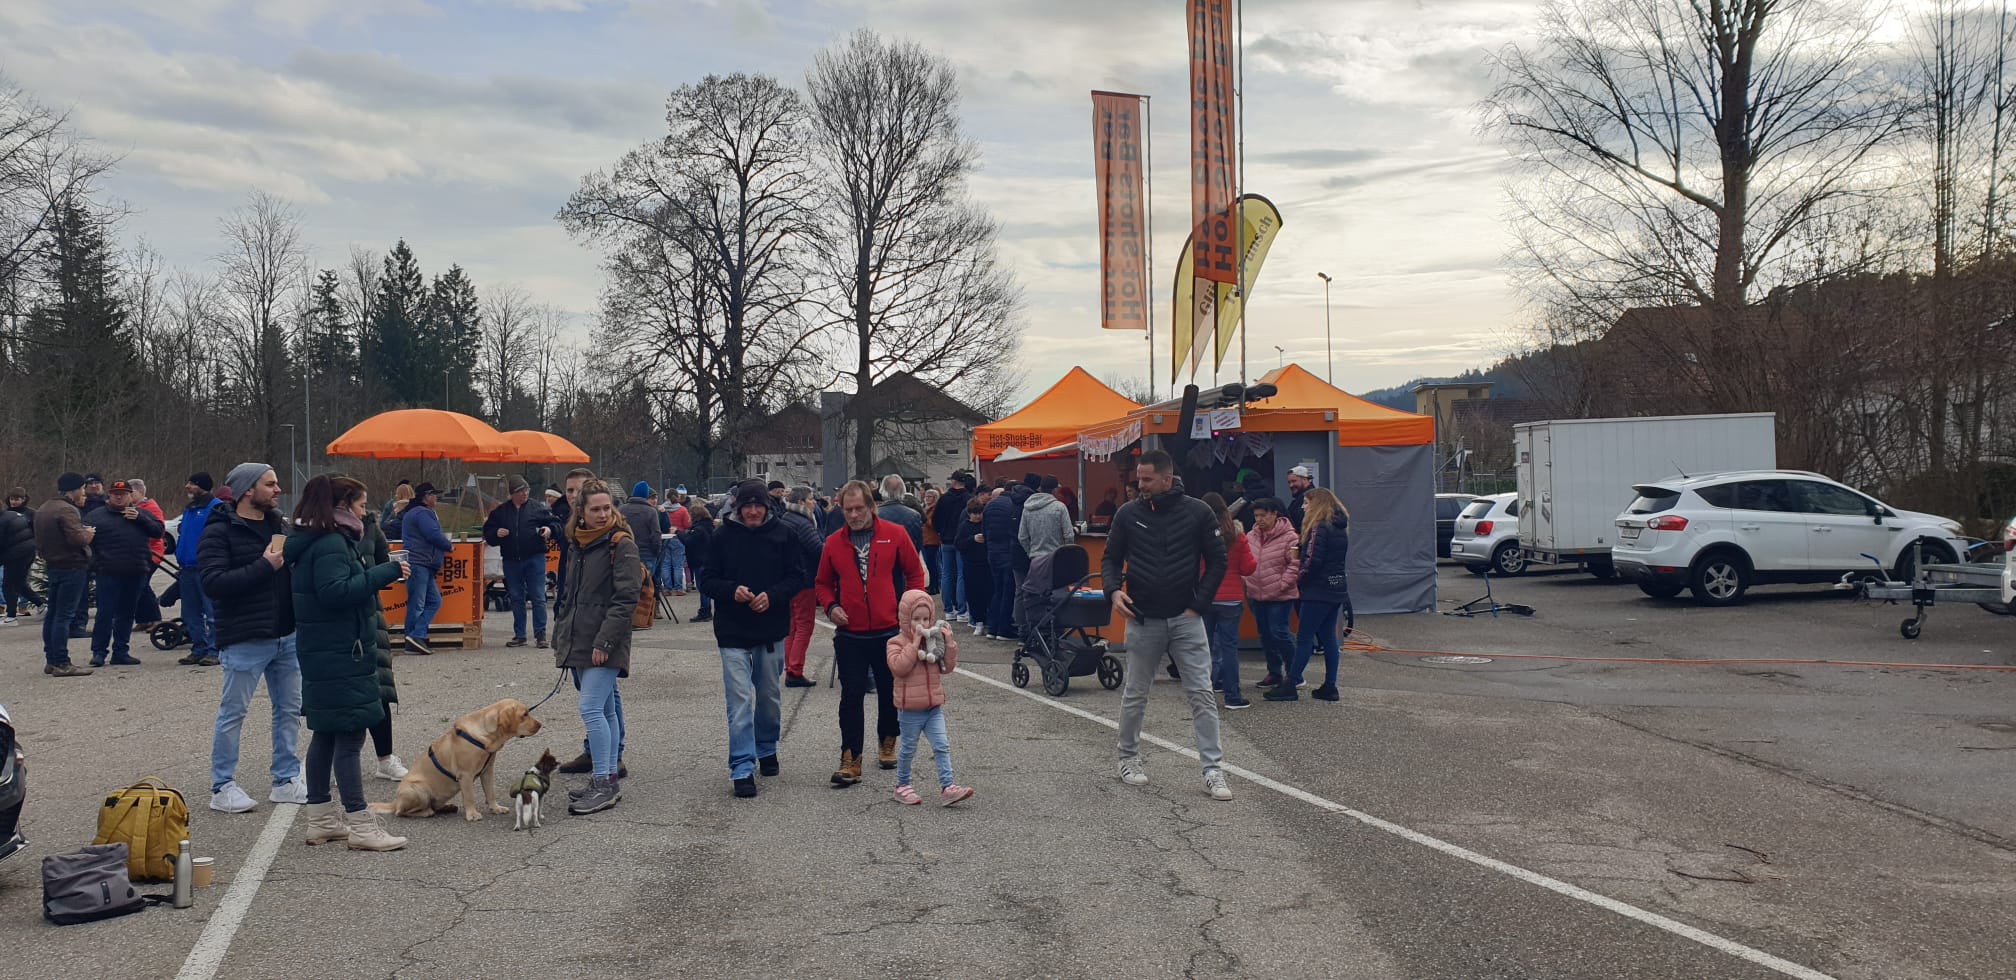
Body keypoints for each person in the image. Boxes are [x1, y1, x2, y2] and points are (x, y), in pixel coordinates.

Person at [286, 475, 410, 851]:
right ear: (341, 506)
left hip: (326, 648)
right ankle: (360, 823)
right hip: (340, 650)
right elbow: (335, 592)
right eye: (360, 504)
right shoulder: (331, 543)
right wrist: (385, 572)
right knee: (351, 733)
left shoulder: (315, 538)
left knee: (326, 732)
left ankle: (321, 819)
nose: (365, 512)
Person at [1101, 449, 1233, 801]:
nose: (1140, 485)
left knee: (1201, 693)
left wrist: (1197, 605)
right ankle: (1128, 758)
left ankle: (1213, 769)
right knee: (1135, 692)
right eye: (1139, 479)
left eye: (1147, 479)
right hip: (1143, 617)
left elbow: (1218, 560)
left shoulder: (1198, 512)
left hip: (1185, 618)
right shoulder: (1127, 514)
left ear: (1166, 478)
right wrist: (1113, 591)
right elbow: (1111, 558)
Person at [201, 463, 304, 813]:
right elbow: (213, 583)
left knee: (289, 710)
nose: (278, 490)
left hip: (286, 635)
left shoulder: (279, 525)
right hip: (245, 637)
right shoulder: (219, 531)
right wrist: (264, 567)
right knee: (233, 713)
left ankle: (285, 780)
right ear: (247, 490)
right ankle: (222, 786)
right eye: (270, 484)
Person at [816, 480, 927, 787]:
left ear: (871, 506)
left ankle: (888, 741)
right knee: (851, 696)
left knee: (890, 691)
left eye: (859, 508)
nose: (854, 515)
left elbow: (914, 573)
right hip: (850, 634)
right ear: (841, 510)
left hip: (889, 632)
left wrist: (912, 607)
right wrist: (831, 606)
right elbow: (822, 583)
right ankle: (850, 759)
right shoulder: (833, 543)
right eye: (848, 509)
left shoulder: (895, 534)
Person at [701, 480, 808, 798]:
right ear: (738, 508)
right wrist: (731, 591)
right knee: (739, 701)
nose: (752, 511)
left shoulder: (784, 534)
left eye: (757, 505)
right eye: (747, 506)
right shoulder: (722, 536)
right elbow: (707, 579)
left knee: (769, 698)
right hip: (732, 630)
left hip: (770, 629)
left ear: (766, 506)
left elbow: (797, 576)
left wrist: (772, 596)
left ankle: (766, 747)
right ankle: (742, 766)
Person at [552, 479, 642, 815]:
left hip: (606, 640)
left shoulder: (621, 544)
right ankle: (607, 779)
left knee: (591, 708)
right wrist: (562, 634)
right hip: (580, 637)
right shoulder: (579, 543)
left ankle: (604, 781)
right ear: (581, 512)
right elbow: (570, 596)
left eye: (607, 508)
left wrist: (605, 641)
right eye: (596, 509)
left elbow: (626, 598)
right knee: (604, 711)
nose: (603, 514)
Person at [885, 589, 973, 806]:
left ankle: (948, 786)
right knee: (908, 749)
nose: (922, 624)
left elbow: (947, 668)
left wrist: (949, 644)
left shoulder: (933, 643)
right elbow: (899, 667)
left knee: (941, 745)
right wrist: (914, 644)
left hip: (933, 707)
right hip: (910, 710)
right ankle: (902, 785)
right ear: (906, 619)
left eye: (926, 619)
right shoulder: (895, 643)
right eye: (916, 619)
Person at [1270, 488, 1351, 703]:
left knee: (1305, 638)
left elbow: (1313, 560)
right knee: (1328, 638)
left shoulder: (1318, 527)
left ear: (1316, 505)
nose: (1303, 507)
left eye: (1306, 503)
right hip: (1336, 588)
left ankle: (1291, 683)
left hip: (1317, 590)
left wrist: (1299, 577)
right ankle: (1330, 685)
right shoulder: (1339, 527)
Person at [83, 480, 164, 666]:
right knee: (105, 614)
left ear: (130, 496)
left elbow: (158, 532)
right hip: (108, 572)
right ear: (109, 496)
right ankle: (99, 652)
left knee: (127, 614)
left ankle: (121, 651)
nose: (119, 497)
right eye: (115, 494)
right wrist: (93, 562)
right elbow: (83, 540)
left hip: (136, 571)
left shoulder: (141, 514)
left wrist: (140, 518)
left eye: (124, 494)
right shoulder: (96, 516)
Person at [356, 499, 408, 781]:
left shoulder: (370, 527)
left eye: (365, 504)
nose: (364, 510)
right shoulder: (324, 531)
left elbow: (382, 562)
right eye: (359, 504)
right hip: (340, 619)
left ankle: (385, 758)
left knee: (381, 688)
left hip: (371, 614)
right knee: (345, 694)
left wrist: (392, 570)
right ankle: (337, 761)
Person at [484, 478, 559, 649]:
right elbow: (488, 532)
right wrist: (496, 533)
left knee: (538, 596)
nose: (525, 493)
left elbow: (555, 523)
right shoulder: (501, 512)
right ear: (512, 494)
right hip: (511, 560)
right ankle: (520, 635)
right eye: (521, 491)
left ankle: (540, 635)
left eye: (527, 490)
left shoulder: (537, 508)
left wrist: (549, 530)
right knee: (516, 597)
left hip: (535, 557)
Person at [33, 473, 96, 676]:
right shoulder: (67, 509)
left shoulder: (44, 508)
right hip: (72, 566)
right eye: (82, 488)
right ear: (74, 489)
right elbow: (78, 539)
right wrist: (88, 534)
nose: (84, 492)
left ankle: (51, 659)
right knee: (64, 615)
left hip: (53, 565)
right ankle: (62, 662)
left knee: (53, 614)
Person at [1200, 493, 1256, 709]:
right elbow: (1248, 568)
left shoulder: (1199, 535)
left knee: (1203, 648)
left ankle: (1204, 695)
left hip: (1206, 596)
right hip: (1231, 600)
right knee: (1229, 649)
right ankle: (1232, 696)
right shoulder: (1237, 535)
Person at [1243, 497, 1300, 692]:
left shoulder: (1290, 537)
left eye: (1263, 515)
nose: (1259, 519)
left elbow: (1295, 564)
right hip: (1256, 594)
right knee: (1265, 635)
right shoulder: (1251, 535)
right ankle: (1274, 672)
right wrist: (1247, 579)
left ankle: (1294, 674)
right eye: (1256, 515)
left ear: (1275, 514)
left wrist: (1283, 584)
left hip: (1280, 596)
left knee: (1280, 633)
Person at [778, 486, 827, 688]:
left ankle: (790, 667)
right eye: (810, 499)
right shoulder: (803, 523)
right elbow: (817, 550)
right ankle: (795, 670)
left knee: (792, 625)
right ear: (800, 502)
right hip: (805, 580)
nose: (814, 502)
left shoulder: (785, 519)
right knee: (804, 625)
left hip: (788, 579)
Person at [399, 483, 453, 655]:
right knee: (419, 604)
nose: (436, 498)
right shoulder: (423, 513)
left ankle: (416, 636)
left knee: (432, 601)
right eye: (434, 495)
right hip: (420, 563)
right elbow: (433, 534)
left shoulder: (413, 512)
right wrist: (448, 545)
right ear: (426, 497)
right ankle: (413, 639)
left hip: (421, 563)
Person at [175, 474, 223, 666]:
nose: (187, 487)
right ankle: (198, 648)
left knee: (212, 613)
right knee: (190, 613)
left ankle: (214, 650)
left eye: (192, 484)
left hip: (206, 568)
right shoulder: (190, 509)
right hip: (186, 568)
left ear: (202, 486)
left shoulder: (216, 508)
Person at [981, 477, 1033, 639]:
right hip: (1008, 551)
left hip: (992, 552)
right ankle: (1004, 629)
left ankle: (992, 628)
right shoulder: (1013, 506)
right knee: (1009, 591)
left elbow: (984, 530)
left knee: (997, 590)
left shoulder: (990, 505)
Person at [929, 472, 973, 621]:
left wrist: (941, 532)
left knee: (947, 574)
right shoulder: (968, 499)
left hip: (946, 540)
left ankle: (948, 609)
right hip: (962, 540)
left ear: (953, 481)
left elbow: (935, 520)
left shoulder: (944, 499)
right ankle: (962, 610)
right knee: (961, 574)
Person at [551, 467, 593, 607]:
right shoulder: (561, 515)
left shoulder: (606, 522)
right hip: (567, 585)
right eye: (570, 490)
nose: (574, 495)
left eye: (579, 490)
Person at [954, 496, 990, 636]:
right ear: (969, 513)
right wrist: (972, 539)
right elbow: (958, 544)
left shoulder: (985, 524)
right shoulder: (964, 526)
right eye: (975, 513)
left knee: (987, 592)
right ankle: (978, 622)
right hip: (971, 564)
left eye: (980, 513)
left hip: (985, 563)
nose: (978, 516)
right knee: (973, 594)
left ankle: (986, 620)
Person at [0, 488, 37, 624]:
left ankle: (14, 612)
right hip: (14, 553)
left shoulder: (30, 513)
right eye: (12, 499)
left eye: (17, 499)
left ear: (23, 499)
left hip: (19, 553)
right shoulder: (8, 514)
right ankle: (40, 605)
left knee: (12, 583)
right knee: (16, 583)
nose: (14, 502)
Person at [620, 482, 666, 592]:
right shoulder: (651, 511)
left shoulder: (621, 510)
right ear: (646, 495)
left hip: (625, 553)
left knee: (628, 587)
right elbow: (656, 534)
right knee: (645, 587)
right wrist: (656, 552)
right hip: (647, 553)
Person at [1017, 475, 1074, 564]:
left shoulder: (1027, 508)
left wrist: (1031, 553)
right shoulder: (1060, 507)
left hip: (1035, 559)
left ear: (1040, 488)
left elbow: (1022, 537)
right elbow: (1069, 535)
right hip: (1056, 558)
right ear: (1054, 490)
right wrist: (1065, 555)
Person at [682, 500, 716, 623]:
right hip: (708, 559)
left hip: (700, 560)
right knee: (704, 586)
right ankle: (706, 610)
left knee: (702, 587)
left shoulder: (698, 529)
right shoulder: (709, 526)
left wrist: (678, 533)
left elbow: (688, 541)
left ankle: (705, 611)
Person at [876, 474, 925, 555]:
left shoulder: (875, 515)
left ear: (882, 490)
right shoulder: (915, 515)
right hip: (907, 557)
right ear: (903, 490)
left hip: (883, 558)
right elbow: (918, 543)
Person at [662, 492, 691, 595]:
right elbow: (687, 524)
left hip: (665, 537)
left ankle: (667, 589)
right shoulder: (683, 510)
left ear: (667, 497)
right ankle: (679, 588)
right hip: (678, 538)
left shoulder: (662, 509)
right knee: (678, 565)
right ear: (677, 497)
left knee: (665, 564)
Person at [919, 487, 942, 596]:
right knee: (929, 564)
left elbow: (933, 524)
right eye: (926, 496)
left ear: (935, 498)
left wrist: (924, 518)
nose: (927, 498)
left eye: (930, 496)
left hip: (932, 539)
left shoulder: (935, 510)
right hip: (925, 539)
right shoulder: (925, 508)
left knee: (932, 564)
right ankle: (932, 585)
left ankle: (935, 586)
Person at [1285, 464, 1316, 532]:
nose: (1291, 485)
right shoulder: (1300, 499)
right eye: (1289, 482)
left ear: (1305, 479)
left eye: (1294, 481)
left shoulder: (1312, 498)